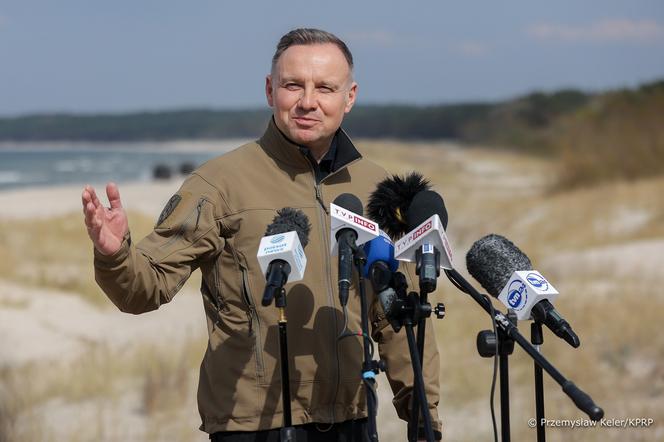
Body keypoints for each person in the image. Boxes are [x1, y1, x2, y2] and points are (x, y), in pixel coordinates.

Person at [82, 28, 442, 441]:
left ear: (350, 96)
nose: (308, 101)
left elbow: (399, 319)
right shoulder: (217, 184)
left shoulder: (379, 188)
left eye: (325, 87)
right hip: (251, 424)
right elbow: (143, 290)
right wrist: (114, 255)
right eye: (293, 85)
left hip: (353, 419)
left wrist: (424, 419)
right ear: (270, 90)